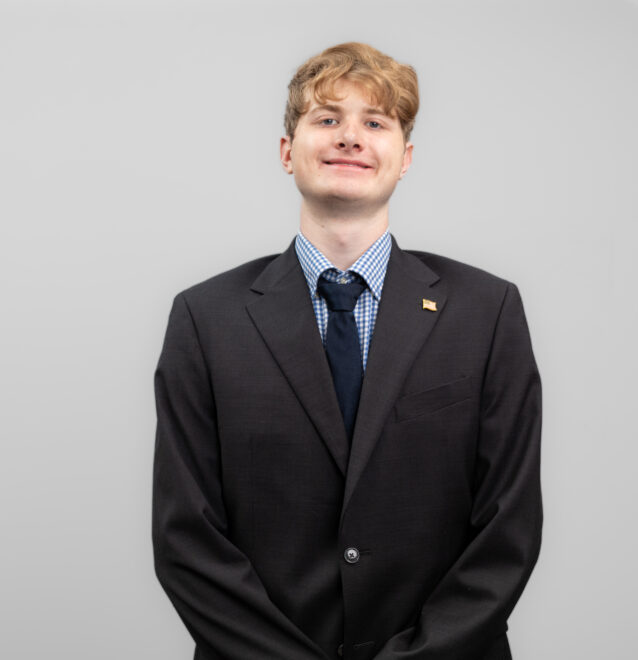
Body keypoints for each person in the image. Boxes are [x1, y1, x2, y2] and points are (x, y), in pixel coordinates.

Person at [152, 42, 543, 660]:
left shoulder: (486, 312)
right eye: (327, 118)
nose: (350, 138)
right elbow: (186, 540)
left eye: (375, 122)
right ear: (288, 151)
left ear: (405, 157)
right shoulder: (206, 317)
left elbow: (508, 528)